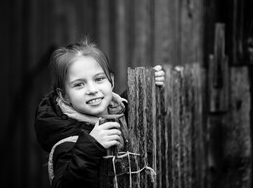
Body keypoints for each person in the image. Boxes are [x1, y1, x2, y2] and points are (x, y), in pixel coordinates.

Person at [35, 39, 164, 188]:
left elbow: (124, 108)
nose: (92, 89)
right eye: (79, 84)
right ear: (65, 96)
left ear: (111, 81)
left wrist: (147, 85)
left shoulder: (119, 110)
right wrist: (90, 147)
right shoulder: (67, 142)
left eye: (99, 79)